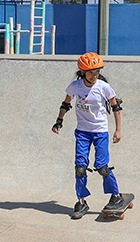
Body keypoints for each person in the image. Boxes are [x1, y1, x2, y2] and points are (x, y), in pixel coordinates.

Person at [51, 52, 127, 218]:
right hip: (82, 133)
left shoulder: (103, 87)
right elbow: (65, 104)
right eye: (91, 72)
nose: (94, 75)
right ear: (83, 72)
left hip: (100, 132)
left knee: (102, 167)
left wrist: (118, 130)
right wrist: (59, 121)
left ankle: (116, 196)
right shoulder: (75, 86)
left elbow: (116, 108)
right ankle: (81, 202)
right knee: (80, 168)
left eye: (97, 72)